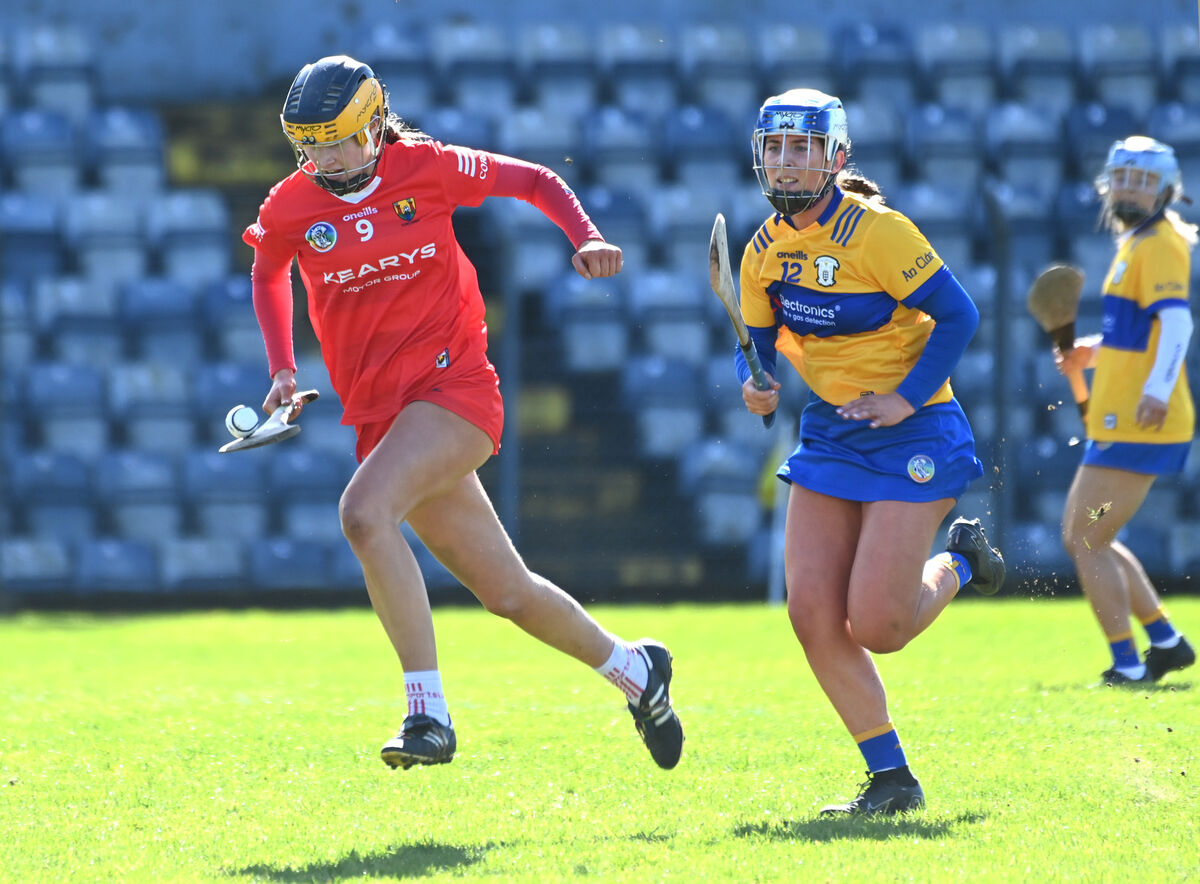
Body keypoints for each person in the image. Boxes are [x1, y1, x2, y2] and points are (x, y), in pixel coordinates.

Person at [241, 55, 683, 771]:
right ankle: (636, 671)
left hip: (456, 392)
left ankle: (427, 714)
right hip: (384, 416)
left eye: (337, 140)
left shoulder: (429, 168)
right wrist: (283, 367)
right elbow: (267, 271)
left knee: (363, 513)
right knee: (508, 593)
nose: (323, 157)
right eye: (310, 143)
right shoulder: (292, 204)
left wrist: (586, 236)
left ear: (375, 124)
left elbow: (537, 180)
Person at [731, 89, 1005, 816]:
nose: (787, 163)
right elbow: (755, 345)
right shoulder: (761, 252)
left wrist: (905, 399)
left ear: (836, 156)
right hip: (830, 434)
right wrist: (753, 385)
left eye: (803, 147)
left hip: (914, 430)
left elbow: (959, 314)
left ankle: (962, 560)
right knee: (811, 613)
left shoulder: (877, 231)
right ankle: (891, 780)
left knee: (879, 628)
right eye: (776, 148)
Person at [1056, 136, 1197, 686]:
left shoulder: (1159, 243)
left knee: (1085, 534)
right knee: (1098, 533)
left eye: (1143, 181)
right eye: (1124, 178)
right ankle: (1165, 641)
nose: (1131, 188)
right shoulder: (1137, 242)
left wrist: (1158, 390)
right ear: (1109, 183)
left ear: (1166, 191)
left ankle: (1129, 664)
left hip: (1141, 421)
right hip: (1124, 418)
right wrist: (1093, 349)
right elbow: (1135, 332)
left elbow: (1177, 324)